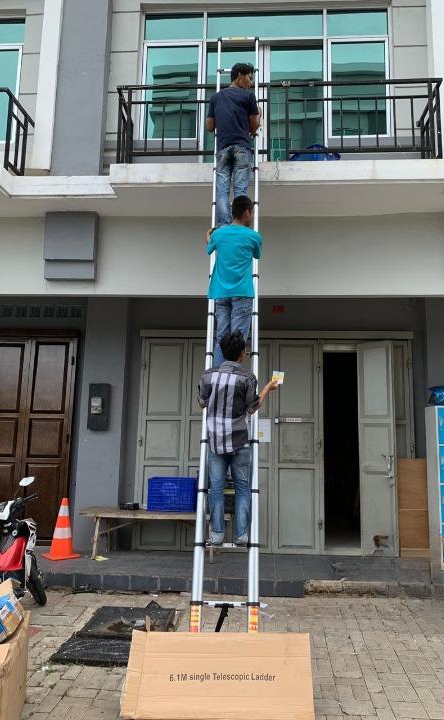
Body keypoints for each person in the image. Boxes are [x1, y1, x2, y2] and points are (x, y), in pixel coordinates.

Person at [198, 331, 279, 546]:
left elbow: (202, 403)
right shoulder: (247, 378)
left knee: (215, 488)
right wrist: (267, 388)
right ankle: (241, 535)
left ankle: (217, 534)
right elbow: (252, 408)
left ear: (222, 351)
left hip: (216, 442)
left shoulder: (208, 376)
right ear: (242, 353)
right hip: (240, 441)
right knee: (243, 487)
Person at [206, 194, 262, 367]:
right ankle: (233, 377)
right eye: (252, 213)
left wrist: (208, 235)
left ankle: (218, 377)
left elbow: (209, 248)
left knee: (221, 339)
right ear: (247, 212)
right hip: (242, 292)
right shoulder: (254, 236)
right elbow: (257, 255)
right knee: (237, 342)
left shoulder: (219, 234)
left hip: (221, 292)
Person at [206, 62, 261, 226]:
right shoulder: (248, 97)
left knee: (222, 190)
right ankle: (238, 224)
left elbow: (209, 126)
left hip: (223, 148)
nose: (251, 82)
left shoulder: (216, 98)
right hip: (241, 147)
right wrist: (259, 114)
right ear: (239, 76)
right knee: (240, 190)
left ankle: (224, 225)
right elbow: (253, 127)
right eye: (249, 78)